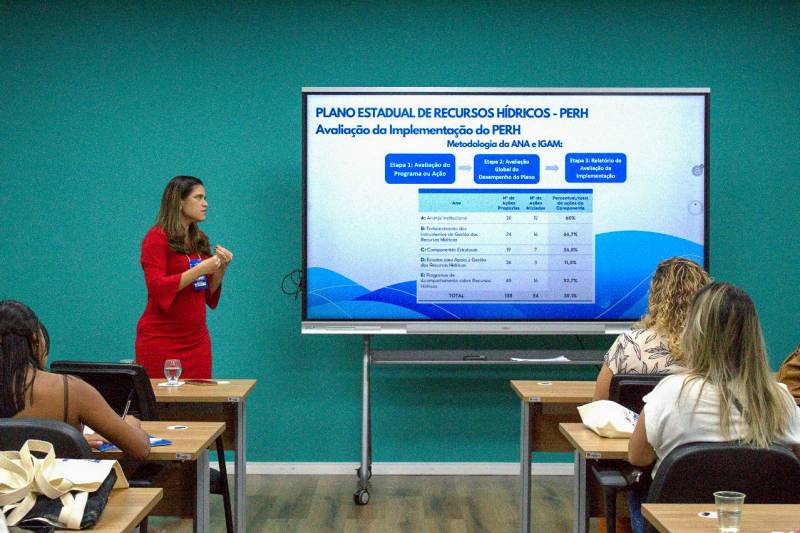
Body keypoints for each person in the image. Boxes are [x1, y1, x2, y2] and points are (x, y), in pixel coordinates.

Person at [627, 282, 800, 532]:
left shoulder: (671, 393)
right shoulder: (780, 399)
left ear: (694, 334)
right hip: (763, 527)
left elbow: (638, 457)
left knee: (636, 492)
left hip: (681, 526)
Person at [0, 300, 150, 460]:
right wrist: (131, 424)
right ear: (35, 339)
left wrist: (75, 441)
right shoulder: (71, 390)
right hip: (58, 477)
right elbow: (140, 449)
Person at [135, 176, 233, 379]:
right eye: (199, 197)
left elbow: (208, 294)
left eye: (205, 198)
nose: (205, 204)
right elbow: (157, 288)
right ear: (179, 201)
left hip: (197, 342)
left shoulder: (200, 239)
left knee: (199, 398)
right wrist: (200, 269)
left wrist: (221, 268)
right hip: (161, 340)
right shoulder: (156, 238)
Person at [593, 257, 710, 401]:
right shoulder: (715, 348)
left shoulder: (628, 344)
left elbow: (598, 405)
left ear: (654, 295)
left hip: (637, 416)